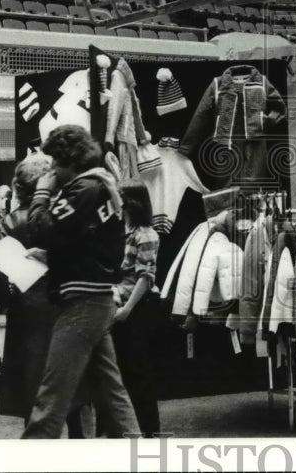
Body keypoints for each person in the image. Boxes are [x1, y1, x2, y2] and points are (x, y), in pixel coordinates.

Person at [23, 124, 139, 439]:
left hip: (81, 304)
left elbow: (39, 228)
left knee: (51, 398)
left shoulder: (82, 188)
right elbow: (88, 243)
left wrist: (42, 192)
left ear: (69, 160)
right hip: (99, 299)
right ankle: (141, 455)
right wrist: (55, 257)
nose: (52, 171)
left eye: (55, 164)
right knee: (113, 394)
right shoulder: (105, 186)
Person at [0, 153, 93, 437]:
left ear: (19, 188)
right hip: (67, 308)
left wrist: (6, 303)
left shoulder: (9, 223)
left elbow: (0, 274)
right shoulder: (66, 216)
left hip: (27, 314)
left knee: (32, 390)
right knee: (75, 390)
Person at [111, 180, 162, 437]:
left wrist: (128, 309)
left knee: (138, 371)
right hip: (125, 305)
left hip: (138, 308)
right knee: (127, 371)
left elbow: (145, 277)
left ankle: (150, 430)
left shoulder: (146, 235)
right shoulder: (125, 231)